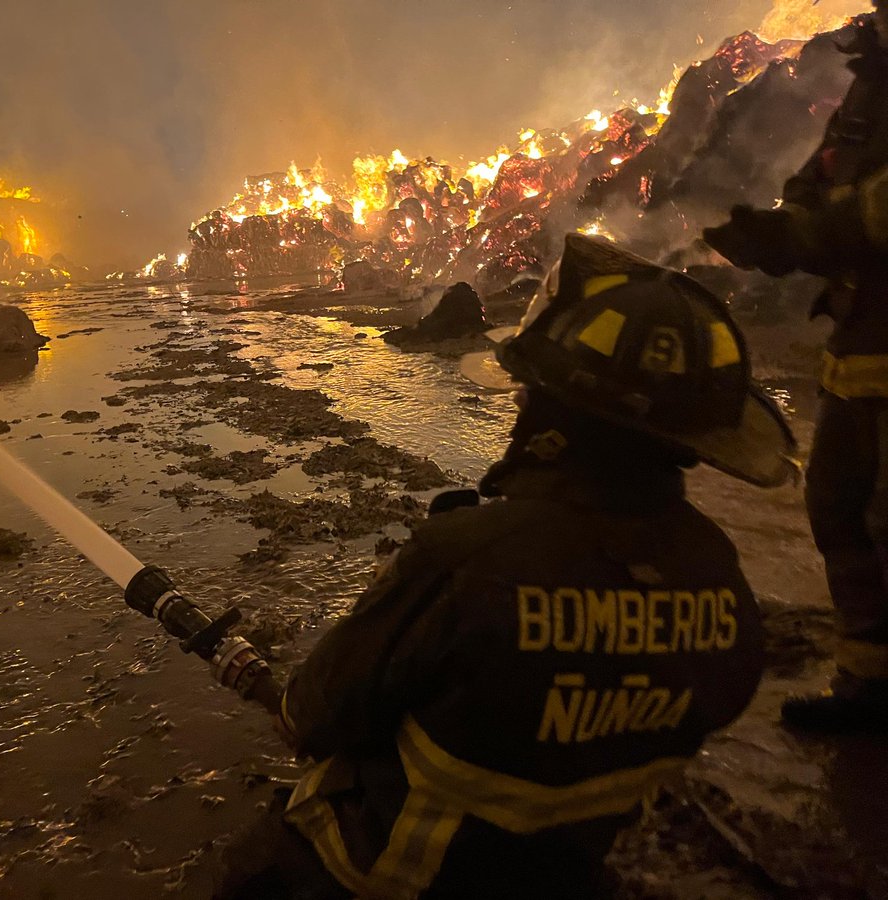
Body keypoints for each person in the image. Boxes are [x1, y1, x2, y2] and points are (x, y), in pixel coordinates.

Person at [214, 234, 797, 899]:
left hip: (398, 878)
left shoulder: (469, 558)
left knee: (251, 873)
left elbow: (316, 713)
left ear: (558, 411)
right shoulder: (720, 575)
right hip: (561, 875)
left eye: (529, 391)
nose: (518, 403)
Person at [703, 4, 888, 732]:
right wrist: (787, 221)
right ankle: (867, 685)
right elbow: (826, 174)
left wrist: (805, 231)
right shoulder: (870, 80)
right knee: (838, 507)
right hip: (860, 344)